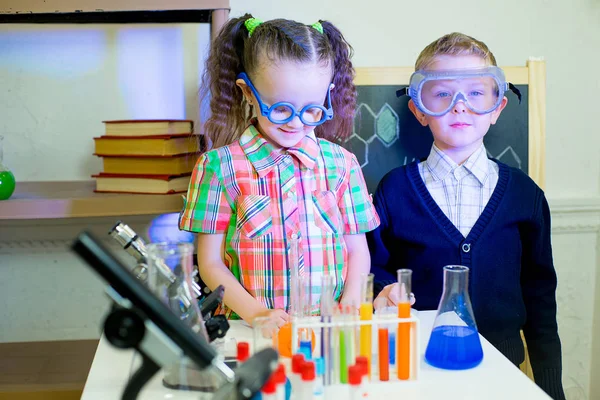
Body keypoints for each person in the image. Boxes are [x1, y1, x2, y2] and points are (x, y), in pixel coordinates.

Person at [367, 32, 565, 399]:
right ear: (419, 109)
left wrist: (550, 387)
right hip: (414, 371)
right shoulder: (393, 191)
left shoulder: (525, 195)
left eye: (476, 93)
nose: (460, 106)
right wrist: (383, 291)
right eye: (442, 93)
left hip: (506, 375)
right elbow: (372, 269)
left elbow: (540, 299)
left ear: (497, 108)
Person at [179, 14, 379, 328]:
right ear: (247, 92)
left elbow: (358, 251)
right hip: (251, 330)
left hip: (327, 328)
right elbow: (210, 262)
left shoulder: (343, 165)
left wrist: (351, 302)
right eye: (281, 108)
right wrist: (256, 314)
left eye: (312, 109)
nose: (296, 122)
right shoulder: (219, 168)